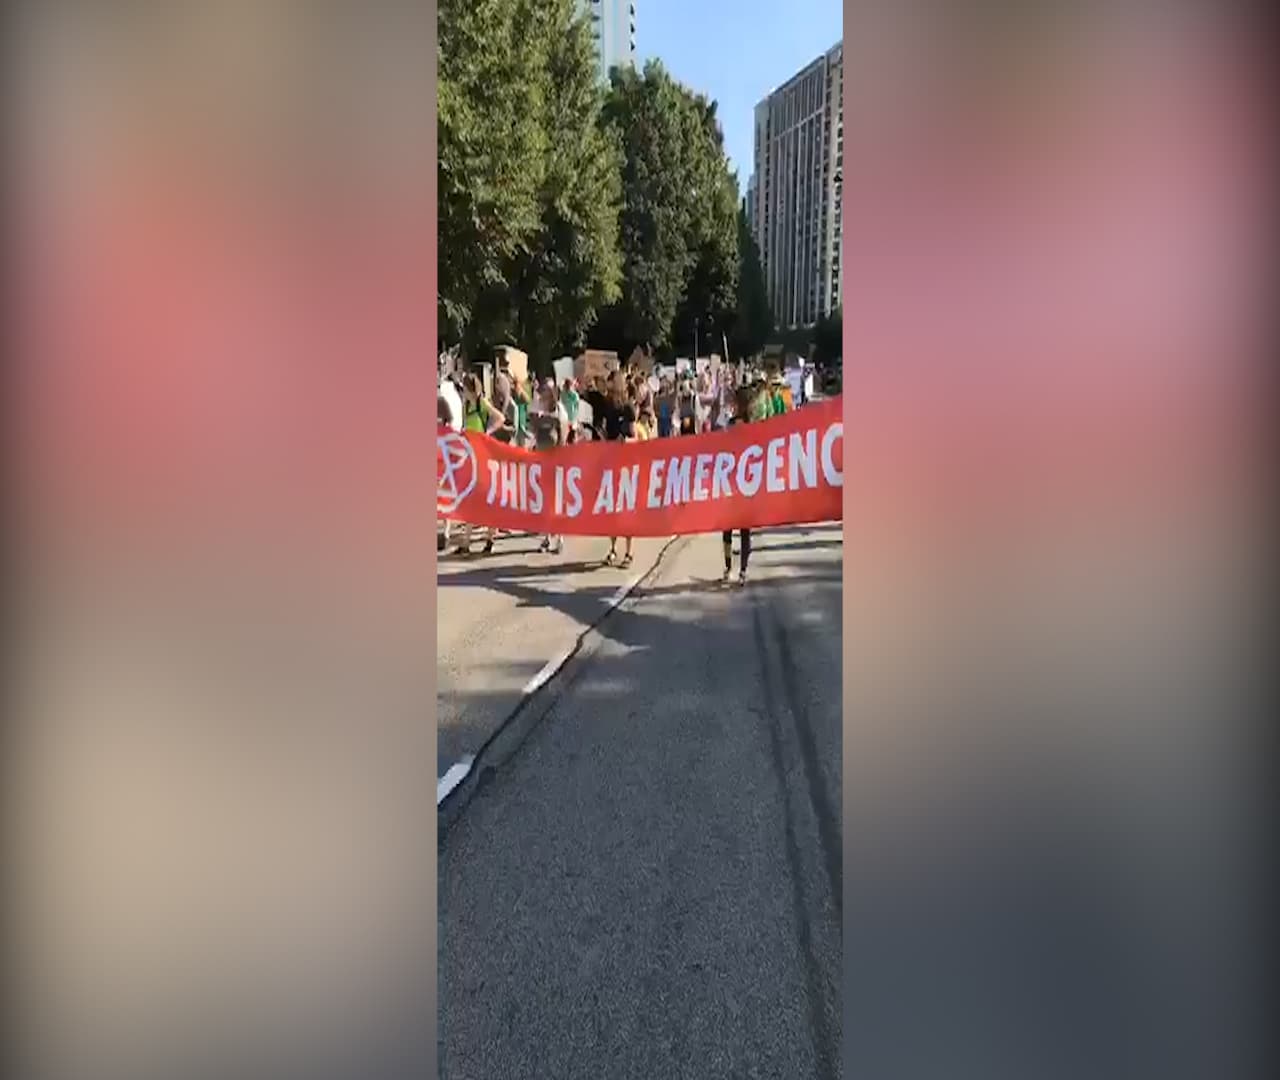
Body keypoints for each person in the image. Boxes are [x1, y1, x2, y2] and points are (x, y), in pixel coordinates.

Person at [455, 373, 506, 556]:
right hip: (470, 457)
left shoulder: (480, 403)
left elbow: (500, 418)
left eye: (465, 389)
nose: (463, 392)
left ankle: (488, 538)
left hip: (482, 457)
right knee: (471, 498)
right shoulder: (466, 405)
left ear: (471, 389)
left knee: (482, 498)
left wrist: (487, 432)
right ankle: (467, 542)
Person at [721, 383, 764, 586]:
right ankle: (729, 566)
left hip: (746, 484)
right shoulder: (729, 422)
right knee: (727, 528)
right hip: (731, 483)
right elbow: (717, 440)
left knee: (744, 529)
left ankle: (743, 570)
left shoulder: (754, 425)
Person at [598, 369, 635, 568]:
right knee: (611, 508)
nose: (610, 387)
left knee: (626, 507)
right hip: (610, 462)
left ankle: (629, 552)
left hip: (626, 464)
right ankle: (612, 548)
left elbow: (634, 433)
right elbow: (605, 428)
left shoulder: (628, 407)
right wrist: (603, 437)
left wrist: (626, 439)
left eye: (613, 383)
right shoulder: (607, 406)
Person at [531, 380, 568, 555]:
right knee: (545, 503)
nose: (542, 395)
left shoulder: (559, 411)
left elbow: (563, 437)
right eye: (541, 392)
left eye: (545, 392)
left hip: (556, 462)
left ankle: (559, 537)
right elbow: (534, 431)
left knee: (556, 501)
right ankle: (546, 537)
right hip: (542, 461)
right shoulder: (539, 408)